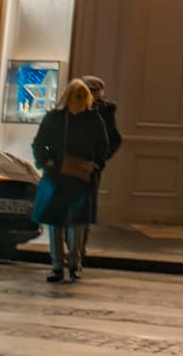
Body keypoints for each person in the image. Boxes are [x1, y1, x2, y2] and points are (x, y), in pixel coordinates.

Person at [31, 78, 112, 284]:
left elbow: (103, 147)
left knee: (74, 222)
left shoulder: (88, 119)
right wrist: (46, 162)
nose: (80, 99)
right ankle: (60, 264)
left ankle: (71, 263)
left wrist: (95, 164)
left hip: (74, 176)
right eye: (77, 95)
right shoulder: (60, 118)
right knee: (60, 222)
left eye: (83, 95)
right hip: (61, 174)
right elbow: (39, 143)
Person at [76, 75, 124, 268]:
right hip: (71, 164)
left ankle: (78, 251)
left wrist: (99, 160)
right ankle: (72, 249)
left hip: (90, 166)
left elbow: (113, 139)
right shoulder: (73, 107)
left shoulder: (103, 112)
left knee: (84, 209)